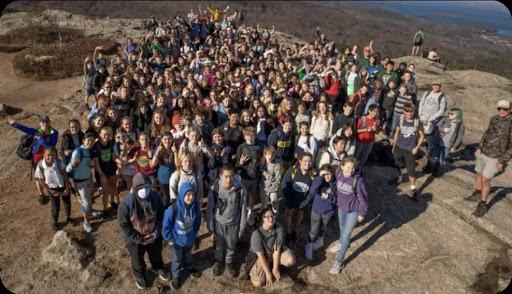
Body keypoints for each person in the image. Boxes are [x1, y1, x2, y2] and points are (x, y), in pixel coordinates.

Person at [118, 173, 170, 289]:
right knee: (137, 259)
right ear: (135, 188)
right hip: (136, 240)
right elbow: (124, 225)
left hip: (154, 235)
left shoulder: (155, 197)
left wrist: (157, 230)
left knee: (156, 254)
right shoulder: (126, 205)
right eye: (140, 188)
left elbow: (162, 214)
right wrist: (138, 238)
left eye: (146, 186)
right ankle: (139, 275)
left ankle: (158, 267)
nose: (144, 190)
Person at [467, 100, 511, 217]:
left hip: (496, 157)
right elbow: (486, 133)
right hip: (483, 152)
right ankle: (477, 193)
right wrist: (479, 147)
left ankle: (483, 204)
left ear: (510, 109)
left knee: (486, 179)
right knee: (479, 174)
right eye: (500, 108)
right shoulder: (494, 118)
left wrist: (502, 161)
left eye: (505, 109)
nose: (502, 111)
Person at [206, 164, 247, 278]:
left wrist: (242, 227)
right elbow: (210, 209)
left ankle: (229, 262)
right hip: (219, 223)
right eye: (226, 176)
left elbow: (243, 209)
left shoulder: (240, 190)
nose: (229, 179)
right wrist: (211, 229)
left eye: (231, 176)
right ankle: (218, 261)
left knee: (231, 244)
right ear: (220, 176)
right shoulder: (215, 188)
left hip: (233, 224)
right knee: (218, 245)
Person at [8, 115, 59, 204]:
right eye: (43, 122)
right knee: (38, 177)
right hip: (37, 157)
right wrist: (15, 124)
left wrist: (41, 139)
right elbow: (26, 129)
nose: (45, 124)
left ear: (49, 122)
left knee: (49, 174)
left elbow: (51, 146)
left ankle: (51, 191)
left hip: (49, 157)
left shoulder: (54, 133)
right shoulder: (37, 132)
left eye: (46, 122)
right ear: (40, 123)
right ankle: (41, 195)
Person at [329, 156, 368, 274]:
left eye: (352, 168)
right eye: (348, 167)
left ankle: (339, 262)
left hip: (354, 210)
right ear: (342, 166)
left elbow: (364, 199)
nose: (350, 170)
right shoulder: (339, 173)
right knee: (341, 228)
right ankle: (341, 244)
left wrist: (362, 213)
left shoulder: (358, 181)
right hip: (341, 207)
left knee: (346, 235)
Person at [162, 183, 202, 290]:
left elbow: (198, 220)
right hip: (176, 241)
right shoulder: (173, 209)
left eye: (193, 194)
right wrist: (170, 239)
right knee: (177, 258)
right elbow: (166, 226)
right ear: (181, 195)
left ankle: (188, 267)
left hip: (189, 238)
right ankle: (176, 275)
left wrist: (194, 232)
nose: (191, 197)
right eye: (188, 195)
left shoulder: (196, 207)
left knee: (188, 254)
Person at [246, 207, 296, 287]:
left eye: (272, 216)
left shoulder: (279, 228)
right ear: (262, 219)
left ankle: (274, 266)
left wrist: (275, 269)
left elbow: (277, 249)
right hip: (260, 257)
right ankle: (256, 270)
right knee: (258, 283)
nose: (271, 218)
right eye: (267, 217)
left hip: (273, 253)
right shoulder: (256, 234)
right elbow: (261, 256)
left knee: (291, 260)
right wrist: (268, 273)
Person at [300, 164, 337, 261]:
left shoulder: (336, 184)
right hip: (317, 209)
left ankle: (320, 240)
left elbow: (338, 200)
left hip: (329, 211)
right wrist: (320, 177)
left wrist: (329, 197)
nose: (326, 177)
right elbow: (312, 190)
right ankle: (310, 244)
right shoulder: (319, 180)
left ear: (333, 174)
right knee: (314, 228)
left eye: (328, 174)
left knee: (324, 226)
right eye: (324, 175)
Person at [390, 103, 425, 200]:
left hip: (410, 150)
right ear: (404, 112)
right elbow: (397, 132)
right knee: (398, 164)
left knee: (411, 170)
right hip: (398, 147)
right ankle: (398, 178)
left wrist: (417, 147)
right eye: (407, 111)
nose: (409, 114)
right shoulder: (401, 120)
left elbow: (422, 136)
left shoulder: (417, 122)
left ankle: (413, 189)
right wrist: (394, 145)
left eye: (411, 112)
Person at [281, 152, 316, 245]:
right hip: (291, 198)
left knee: (300, 214)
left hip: (303, 200)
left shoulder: (313, 174)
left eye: (309, 161)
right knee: (289, 214)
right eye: (305, 161)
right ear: (300, 161)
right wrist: (288, 199)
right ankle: (288, 233)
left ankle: (294, 231)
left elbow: (312, 190)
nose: (307, 163)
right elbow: (284, 185)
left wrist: (306, 202)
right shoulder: (292, 171)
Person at [34, 147, 72, 231]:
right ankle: (55, 222)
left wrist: (67, 187)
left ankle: (68, 218)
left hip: (62, 186)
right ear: (44, 155)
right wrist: (50, 190)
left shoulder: (59, 162)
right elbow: (40, 179)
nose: (51, 157)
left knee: (67, 203)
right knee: (55, 206)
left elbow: (65, 174)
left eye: (53, 155)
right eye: (48, 155)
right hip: (52, 188)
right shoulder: (41, 165)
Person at [65, 132, 96, 233]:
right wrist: (73, 165)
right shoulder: (78, 152)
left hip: (89, 178)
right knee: (86, 203)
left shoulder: (88, 151)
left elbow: (87, 165)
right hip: (80, 182)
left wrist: (91, 165)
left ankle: (90, 212)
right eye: (88, 140)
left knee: (90, 198)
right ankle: (86, 222)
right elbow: (68, 169)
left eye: (92, 141)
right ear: (83, 141)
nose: (90, 142)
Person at [235, 126, 262, 224]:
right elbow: (237, 164)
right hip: (244, 176)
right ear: (244, 136)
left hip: (255, 176)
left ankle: (250, 211)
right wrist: (241, 162)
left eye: (252, 135)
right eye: (247, 135)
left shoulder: (259, 147)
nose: (250, 137)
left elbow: (262, 160)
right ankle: (242, 213)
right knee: (243, 195)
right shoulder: (241, 147)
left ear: (255, 136)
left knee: (252, 195)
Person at [419, 81, 447, 174]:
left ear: (440, 87)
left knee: (430, 142)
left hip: (432, 122)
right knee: (419, 136)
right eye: (434, 85)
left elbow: (441, 110)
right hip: (423, 119)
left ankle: (429, 163)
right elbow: (421, 103)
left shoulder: (441, 96)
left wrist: (431, 118)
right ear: (432, 86)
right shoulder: (427, 93)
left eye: (438, 85)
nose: (436, 87)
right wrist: (420, 114)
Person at [427, 108, 465, 175]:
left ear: (458, 115)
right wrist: (443, 130)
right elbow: (436, 127)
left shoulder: (460, 125)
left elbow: (459, 136)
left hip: (447, 145)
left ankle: (436, 171)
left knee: (441, 159)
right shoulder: (445, 119)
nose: (449, 114)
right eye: (449, 113)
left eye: (452, 114)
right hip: (438, 141)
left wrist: (454, 146)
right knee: (433, 156)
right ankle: (428, 168)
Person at [259, 146, 283, 214]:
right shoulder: (262, 163)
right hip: (264, 188)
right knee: (264, 204)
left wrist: (266, 174)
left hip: (273, 189)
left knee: (274, 204)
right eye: (268, 154)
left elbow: (277, 179)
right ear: (265, 155)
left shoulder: (277, 165)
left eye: (272, 154)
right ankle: (262, 218)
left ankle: (275, 217)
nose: (270, 156)